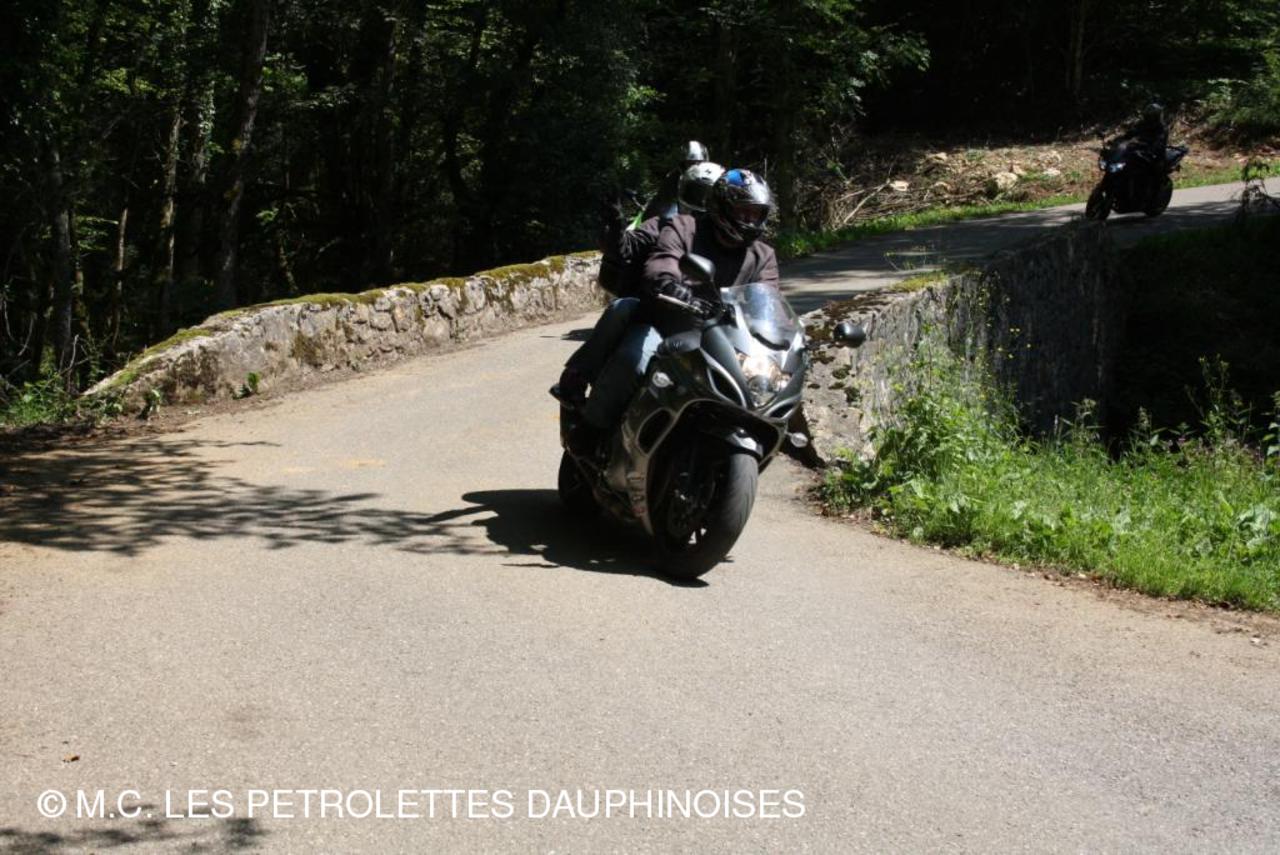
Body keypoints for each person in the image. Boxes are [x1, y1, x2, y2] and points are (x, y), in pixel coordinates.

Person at [569, 168, 778, 453]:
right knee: (632, 359)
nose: (750, 220)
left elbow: (768, 300)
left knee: (759, 384)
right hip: (666, 324)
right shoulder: (682, 227)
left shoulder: (763, 255)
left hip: (724, 340)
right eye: (743, 211)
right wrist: (670, 285)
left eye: (756, 213)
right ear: (721, 206)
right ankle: (591, 430)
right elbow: (662, 262)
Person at [556, 162, 725, 403]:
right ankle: (577, 378)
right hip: (656, 314)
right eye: (697, 195)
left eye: (710, 198)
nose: (703, 204)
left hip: (711, 328)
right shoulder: (661, 226)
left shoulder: (731, 243)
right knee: (622, 314)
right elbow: (623, 249)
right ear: (683, 195)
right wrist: (613, 222)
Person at [642, 140, 710, 221]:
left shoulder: (710, 177)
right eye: (690, 163)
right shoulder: (674, 178)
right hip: (679, 219)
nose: (694, 166)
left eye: (698, 162)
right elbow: (662, 200)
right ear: (683, 163)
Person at [1116, 102, 1169, 169]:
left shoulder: (1161, 128)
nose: (1149, 117)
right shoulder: (1142, 124)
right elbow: (1132, 132)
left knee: (1152, 169)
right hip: (1141, 150)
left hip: (1155, 155)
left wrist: (1149, 148)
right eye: (1148, 115)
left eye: (1151, 116)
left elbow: (1159, 142)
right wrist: (1120, 139)